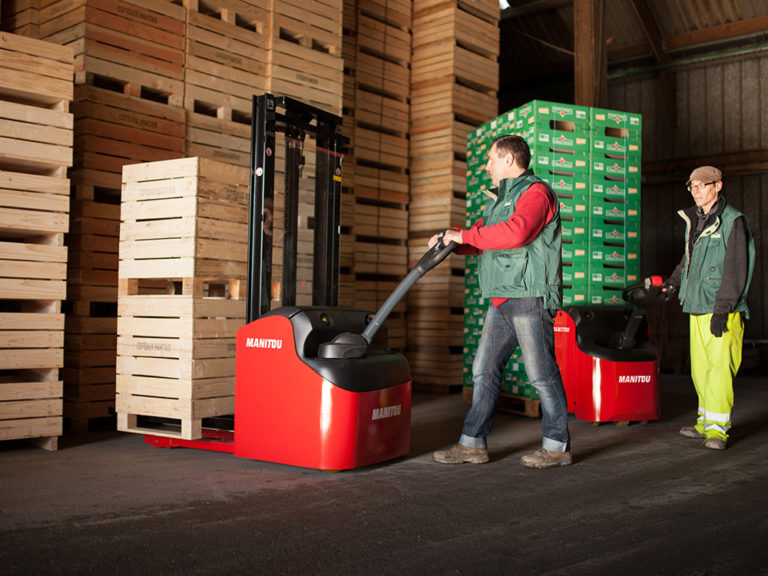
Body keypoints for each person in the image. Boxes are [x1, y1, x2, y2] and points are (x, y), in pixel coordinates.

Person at [430, 134, 571, 469]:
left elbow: (516, 232)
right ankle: (472, 443)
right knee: (483, 369)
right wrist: (450, 239)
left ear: (509, 160)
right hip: (503, 299)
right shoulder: (498, 200)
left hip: (529, 295)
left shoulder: (535, 193)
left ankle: (557, 445)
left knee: (540, 374)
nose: (487, 165)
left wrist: (463, 236)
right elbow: (481, 237)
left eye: (492, 158)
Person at [663, 166, 754, 450]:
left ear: (718, 186)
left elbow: (736, 269)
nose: (696, 190)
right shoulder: (695, 220)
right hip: (697, 306)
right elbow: (687, 260)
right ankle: (705, 422)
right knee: (700, 370)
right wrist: (673, 284)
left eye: (703, 185)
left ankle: (718, 430)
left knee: (719, 371)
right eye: (692, 186)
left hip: (721, 310)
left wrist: (723, 308)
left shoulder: (733, 221)